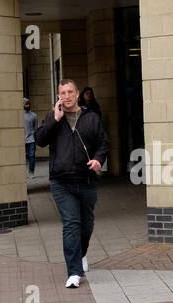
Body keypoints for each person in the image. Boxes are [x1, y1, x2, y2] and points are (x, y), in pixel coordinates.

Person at [37, 78, 110, 288]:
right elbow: (40, 139)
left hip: (86, 179)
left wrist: (98, 160)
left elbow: (103, 143)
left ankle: (82, 253)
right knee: (71, 224)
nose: (66, 96)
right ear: (58, 95)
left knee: (87, 225)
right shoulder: (53, 117)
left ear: (77, 94)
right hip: (61, 181)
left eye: (70, 92)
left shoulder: (92, 117)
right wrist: (54, 119)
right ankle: (74, 272)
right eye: (63, 93)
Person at [24, 99, 38, 175]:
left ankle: (31, 171)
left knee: (31, 156)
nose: (28, 105)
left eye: (28, 104)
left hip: (31, 139)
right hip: (22, 140)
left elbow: (36, 128)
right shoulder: (19, 115)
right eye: (26, 104)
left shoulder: (34, 115)